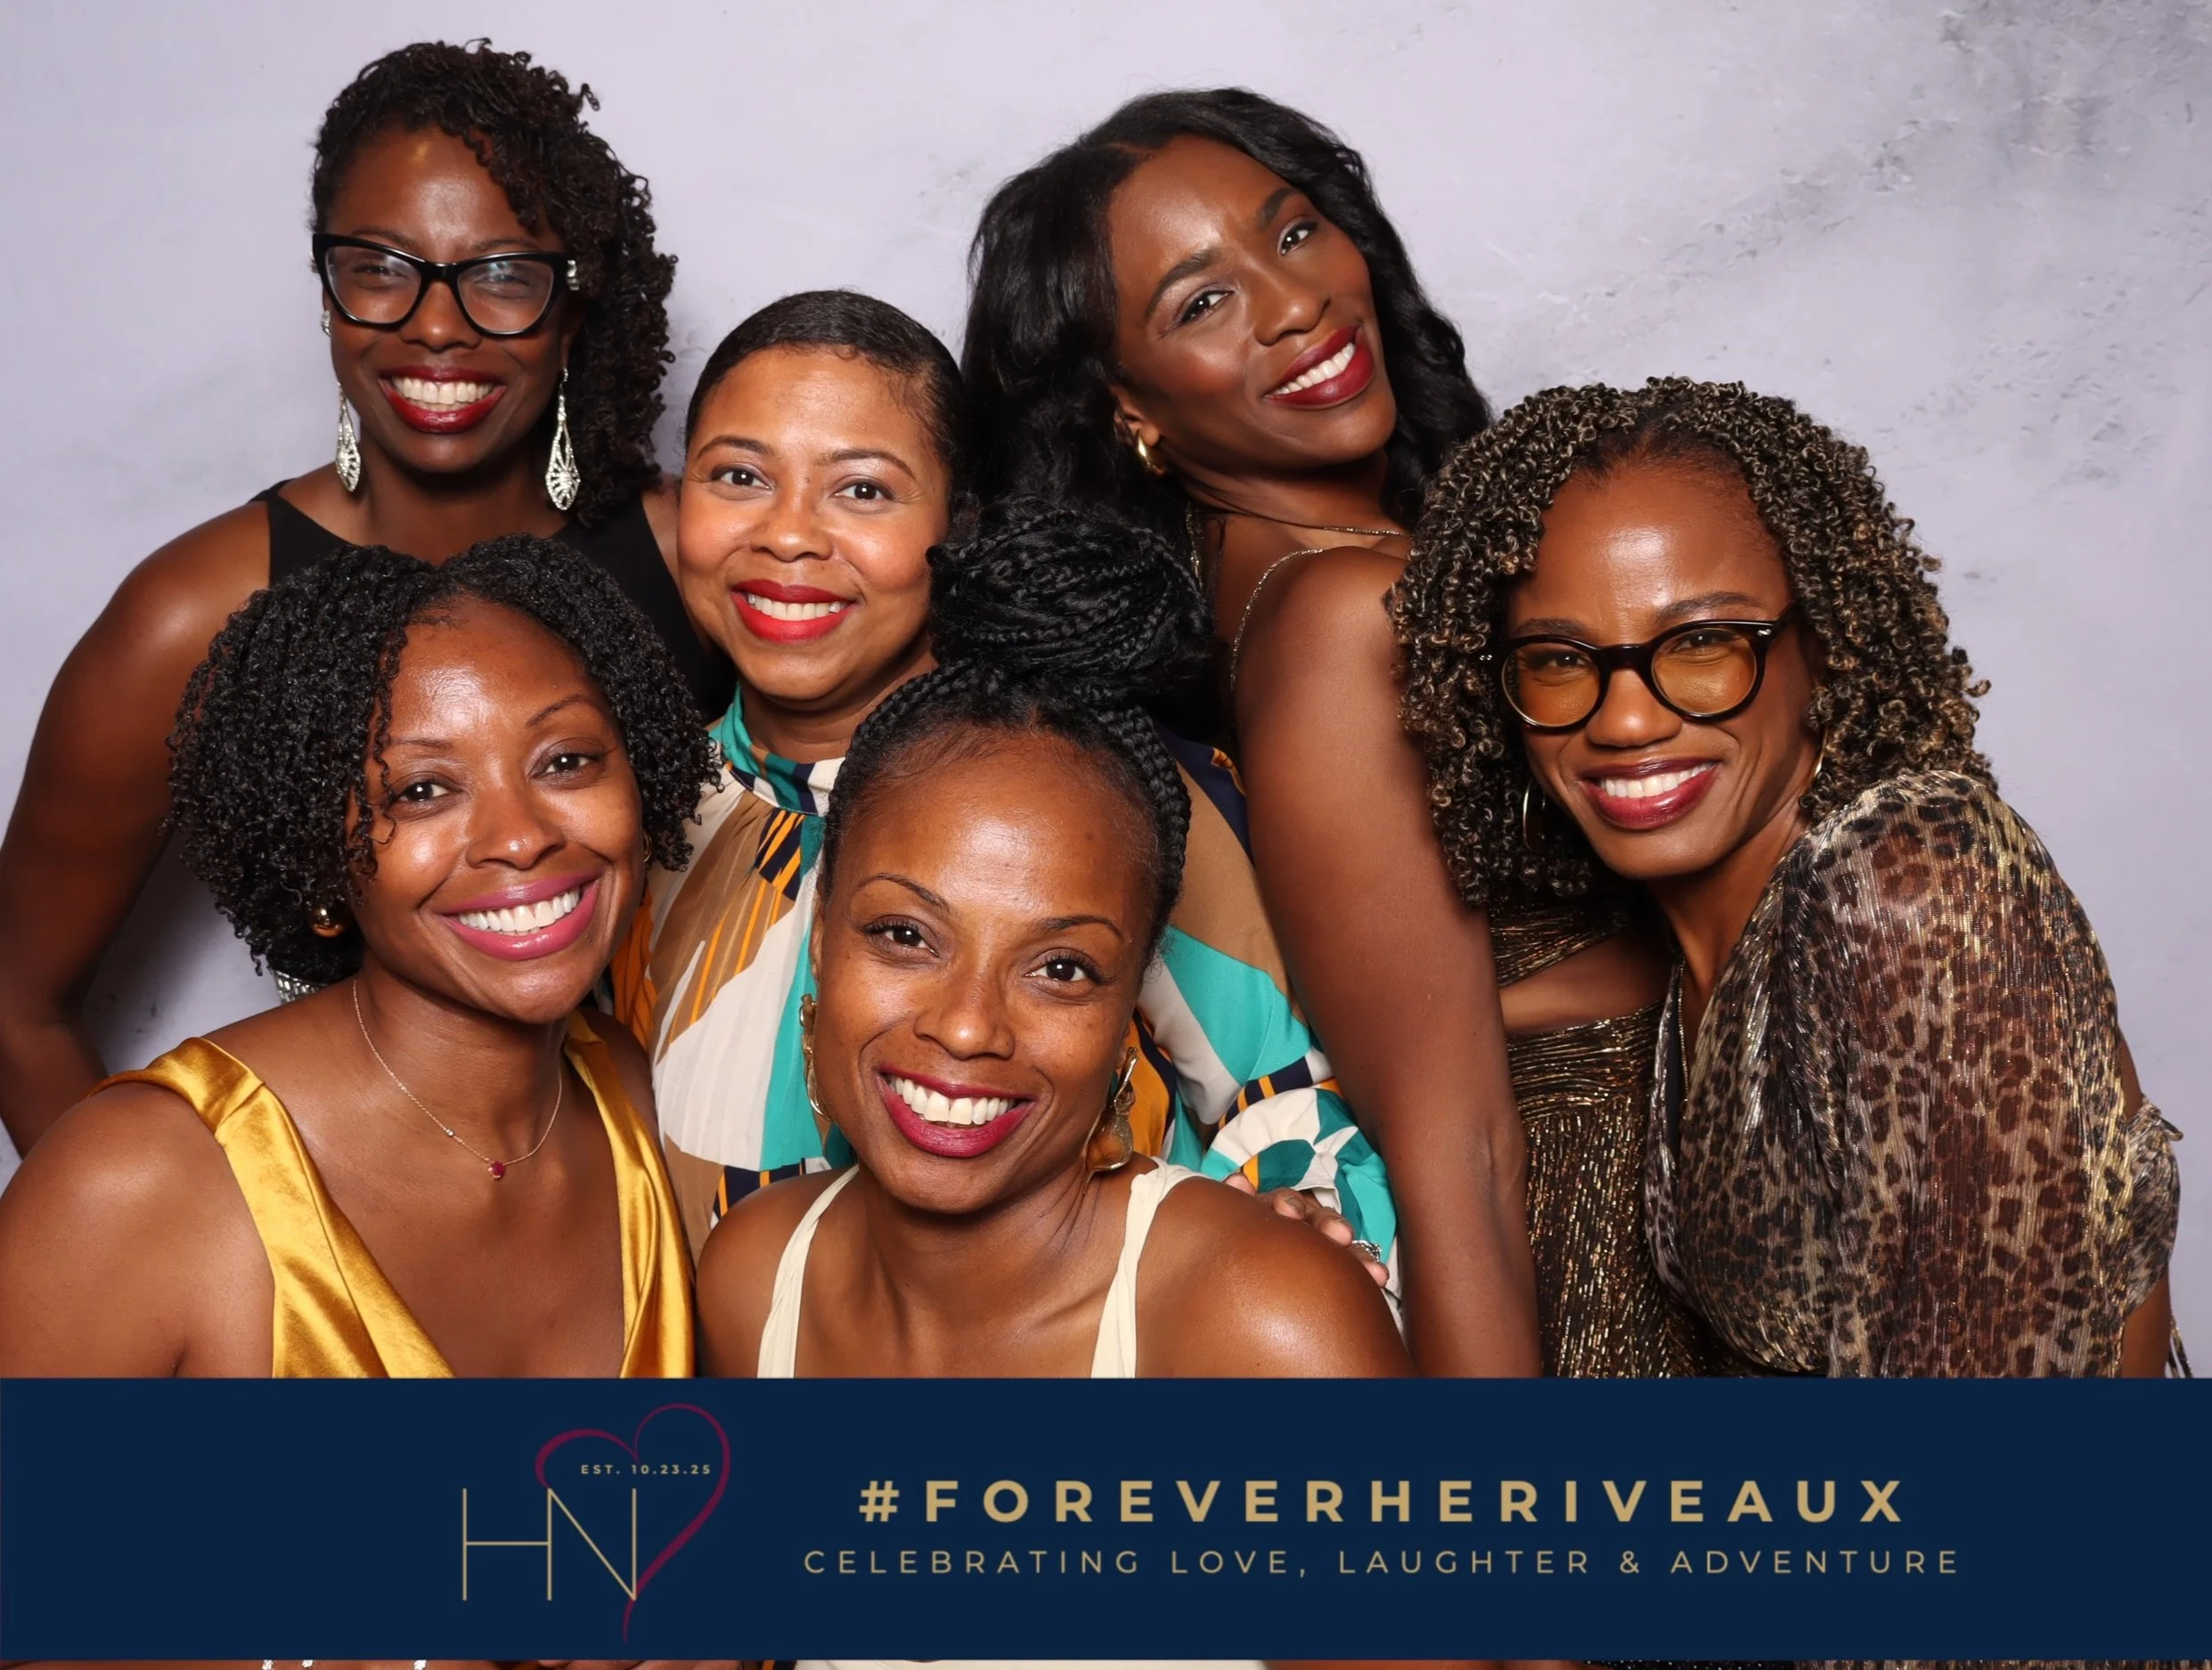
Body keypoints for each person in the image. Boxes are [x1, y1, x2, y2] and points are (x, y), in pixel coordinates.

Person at [964, 89, 1684, 1375]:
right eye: (1202, 300)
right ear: (1130, 407)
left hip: (1668, 1183)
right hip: (1589, 1255)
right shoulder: (1342, 611)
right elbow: (1450, 1136)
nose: (1293, 304)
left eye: (1293, 234)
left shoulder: (1340, 562)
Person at [0, 39, 723, 1154]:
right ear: (327, 289)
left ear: (572, 309)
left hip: (676, 1223)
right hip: (370, 1243)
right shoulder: (194, 614)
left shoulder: (700, 559)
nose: (435, 327)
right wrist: (151, 1253)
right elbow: (18, 1002)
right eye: (381, 266)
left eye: (501, 274)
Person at [1392, 376, 2183, 1377]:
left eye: (1705, 644)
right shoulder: (1723, 928)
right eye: (1556, 660)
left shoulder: (1908, 887)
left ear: (1826, 642)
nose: (1624, 721)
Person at [611, 290, 1395, 1280]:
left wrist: (1288, 1243)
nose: (789, 537)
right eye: (738, 477)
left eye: (862, 491)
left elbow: (1282, 1102)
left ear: (958, 524)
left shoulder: (1083, 788)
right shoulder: (626, 805)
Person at [693, 529, 1409, 1384]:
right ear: (821, 941)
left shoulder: (1264, 1320)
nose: (966, 1027)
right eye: (905, 935)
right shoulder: (753, 1275)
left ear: (1132, 1002)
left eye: (1061, 968)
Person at [0, 539, 716, 1376]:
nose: (522, 837)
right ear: (320, 858)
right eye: (421, 790)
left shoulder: (625, 1089)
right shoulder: (135, 1182)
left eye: (564, 761)